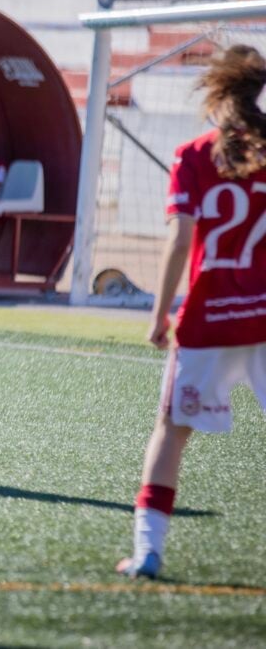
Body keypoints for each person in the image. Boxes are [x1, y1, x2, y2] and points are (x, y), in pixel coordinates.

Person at [117, 44, 266, 580]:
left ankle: (148, 552)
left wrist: (159, 314)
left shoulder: (193, 154)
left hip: (208, 317)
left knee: (170, 430)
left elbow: (180, 241)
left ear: (217, 93)